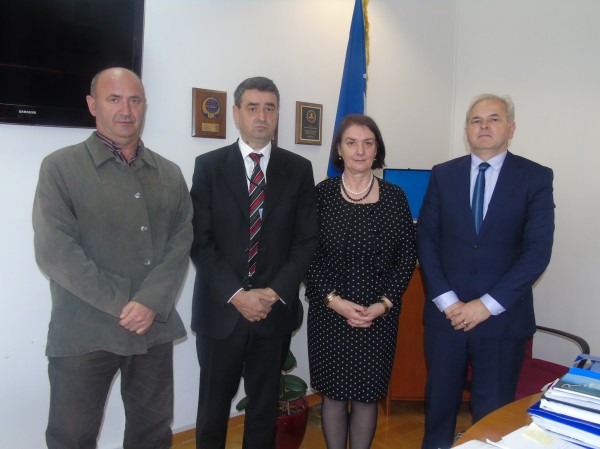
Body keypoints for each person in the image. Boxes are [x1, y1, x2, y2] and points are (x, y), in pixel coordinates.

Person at [32, 67, 193, 449]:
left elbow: (181, 241)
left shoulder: (169, 174)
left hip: (152, 330)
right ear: (93, 105)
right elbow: (55, 251)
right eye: (114, 99)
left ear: (145, 106)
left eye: (134, 100)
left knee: (152, 434)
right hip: (84, 332)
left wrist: (150, 302)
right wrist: (125, 303)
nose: (126, 110)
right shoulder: (60, 167)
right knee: (71, 437)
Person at [417, 94, 555, 449]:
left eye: (494, 118)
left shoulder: (536, 177)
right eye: (476, 120)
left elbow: (537, 252)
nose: (484, 126)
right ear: (466, 130)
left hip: (501, 321)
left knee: (492, 418)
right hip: (446, 319)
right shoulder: (443, 174)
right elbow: (427, 240)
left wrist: (485, 305)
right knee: (438, 411)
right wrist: (448, 301)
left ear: (511, 128)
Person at [190, 76, 318, 449]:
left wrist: (273, 293)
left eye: (269, 108)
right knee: (212, 410)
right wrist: (237, 294)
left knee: (263, 409)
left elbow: (306, 241)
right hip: (221, 311)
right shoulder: (209, 166)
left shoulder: (298, 169)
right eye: (252, 107)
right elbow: (200, 241)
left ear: (277, 114)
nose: (261, 116)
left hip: (272, 313)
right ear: (236, 113)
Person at [306, 114, 417, 449]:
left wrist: (384, 304)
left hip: (378, 317)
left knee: (368, 397)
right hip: (330, 315)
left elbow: (406, 257)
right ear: (339, 149)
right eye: (351, 143)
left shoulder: (395, 197)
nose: (360, 150)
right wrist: (334, 302)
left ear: (376, 149)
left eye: (368, 143)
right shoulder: (321, 195)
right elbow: (308, 257)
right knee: (334, 397)